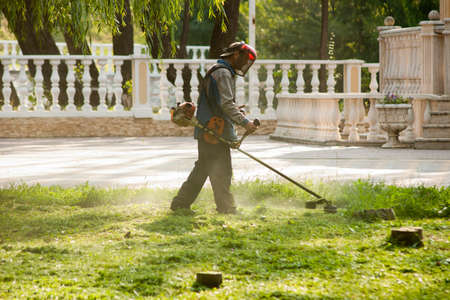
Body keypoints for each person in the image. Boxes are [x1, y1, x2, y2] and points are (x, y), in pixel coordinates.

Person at [170, 41, 258, 214]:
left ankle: (180, 203)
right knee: (222, 171)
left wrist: (235, 112)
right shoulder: (223, 73)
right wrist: (244, 122)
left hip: (210, 129)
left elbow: (220, 103)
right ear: (235, 55)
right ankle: (226, 208)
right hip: (213, 131)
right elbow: (226, 103)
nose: (245, 63)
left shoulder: (218, 70)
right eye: (244, 59)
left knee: (202, 169)